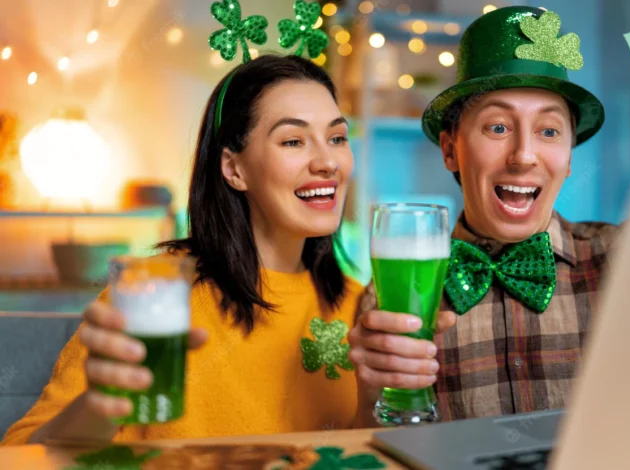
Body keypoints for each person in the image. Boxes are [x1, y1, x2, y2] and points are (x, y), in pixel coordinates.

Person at [348, 5, 630, 425]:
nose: (524, 156)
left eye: (549, 131)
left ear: (569, 156)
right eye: (497, 127)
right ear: (450, 150)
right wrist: (374, 398)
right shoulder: (392, 298)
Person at [1, 53, 368, 445]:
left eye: (337, 138)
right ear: (234, 169)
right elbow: (20, 454)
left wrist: (377, 396)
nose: (328, 161)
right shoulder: (155, 293)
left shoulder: (359, 306)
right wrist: (99, 408)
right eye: (293, 140)